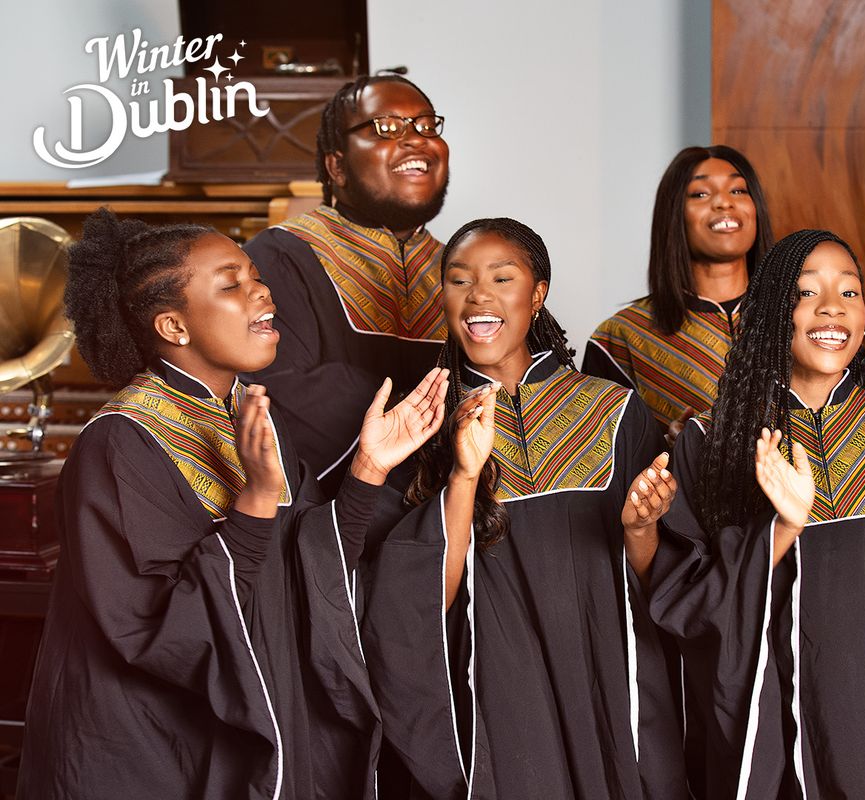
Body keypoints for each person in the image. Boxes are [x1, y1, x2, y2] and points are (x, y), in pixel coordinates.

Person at [18, 209, 449, 799]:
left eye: (254, 275)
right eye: (231, 284)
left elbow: (311, 564)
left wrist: (368, 469)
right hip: (149, 748)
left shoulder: (250, 414)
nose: (260, 290)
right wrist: (255, 500)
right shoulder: (120, 441)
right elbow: (156, 629)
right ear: (174, 327)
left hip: (256, 719)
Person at [649, 229, 865, 799]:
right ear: (773, 312)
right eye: (807, 293)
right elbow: (683, 602)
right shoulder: (714, 442)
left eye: (849, 292)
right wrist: (779, 530)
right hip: (776, 733)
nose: (832, 307)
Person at [362, 218, 687, 799]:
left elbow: (657, 579)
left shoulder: (613, 410)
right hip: (497, 690)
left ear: (537, 294)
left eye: (501, 278)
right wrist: (464, 473)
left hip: (609, 676)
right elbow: (420, 600)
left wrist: (641, 529)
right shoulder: (421, 423)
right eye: (458, 280)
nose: (478, 295)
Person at [246, 73, 451, 493]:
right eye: (387, 127)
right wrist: (442, 435)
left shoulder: (466, 271)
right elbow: (284, 394)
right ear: (336, 165)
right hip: (340, 519)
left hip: (461, 517)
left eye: (427, 125)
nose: (416, 139)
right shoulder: (281, 255)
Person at [585, 145, 774, 443]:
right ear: (674, 214)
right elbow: (605, 462)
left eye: (738, 191)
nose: (724, 203)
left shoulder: (801, 317)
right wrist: (667, 449)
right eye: (701, 194)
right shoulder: (619, 338)